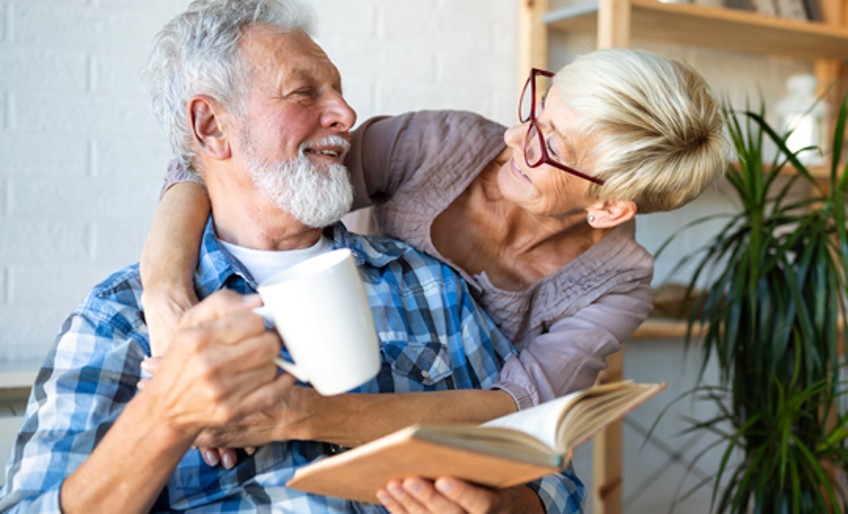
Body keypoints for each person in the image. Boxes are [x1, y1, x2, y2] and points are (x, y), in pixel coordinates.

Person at [0, 0, 584, 512]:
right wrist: (164, 415)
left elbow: (555, 476)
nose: (346, 115)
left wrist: (510, 507)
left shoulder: (426, 286)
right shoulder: (120, 319)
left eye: (338, 90)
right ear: (211, 125)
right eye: (305, 92)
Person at [142, 19, 727, 470]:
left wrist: (299, 417)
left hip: (429, 447)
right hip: (325, 362)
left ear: (608, 208)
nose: (512, 135)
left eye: (550, 146)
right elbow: (237, 169)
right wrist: (164, 289)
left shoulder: (617, 284)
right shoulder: (435, 144)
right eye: (538, 109)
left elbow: (516, 408)